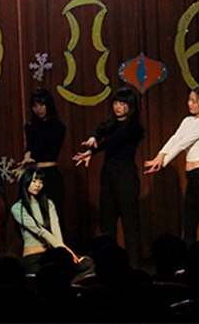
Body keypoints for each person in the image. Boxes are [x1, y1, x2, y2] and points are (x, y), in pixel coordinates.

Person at [73, 87, 144, 268]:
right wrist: (93, 138)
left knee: (130, 226)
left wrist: (93, 150)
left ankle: (134, 267)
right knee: (107, 225)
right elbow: (100, 130)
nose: (118, 107)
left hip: (125, 175)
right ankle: (108, 267)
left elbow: (115, 141)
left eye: (122, 103)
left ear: (130, 106)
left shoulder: (134, 127)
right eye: (115, 103)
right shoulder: (110, 123)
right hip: (109, 176)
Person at [143, 84, 199, 246]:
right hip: (192, 178)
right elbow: (175, 138)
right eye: (189, 100)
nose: (190, 104)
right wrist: (159, 156)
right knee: (189, 226)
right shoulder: (187, 121)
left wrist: (162, 162)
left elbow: (183, 143)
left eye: (195, 101)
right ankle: (188, 259)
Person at [12, 167, 78, 273]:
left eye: (41, 182)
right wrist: (64, 249)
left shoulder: (48, 204)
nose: (38, 185)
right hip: (32, 257)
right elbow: (39, 230)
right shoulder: (18, 208)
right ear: (26, 181)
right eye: (34, 181)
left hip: (50, 256)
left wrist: (62, 252)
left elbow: (55, 228)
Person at [18, 89, 67, 223]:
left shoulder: (58, 126)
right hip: (35, 172)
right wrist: (26, 158)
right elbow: (30, 146)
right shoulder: (30, 126)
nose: (38, 109)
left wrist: (29, 156)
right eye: (35, 106)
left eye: (41, 105)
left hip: (50, 173)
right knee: (33, 214)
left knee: (54, 214)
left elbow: (43, 145)